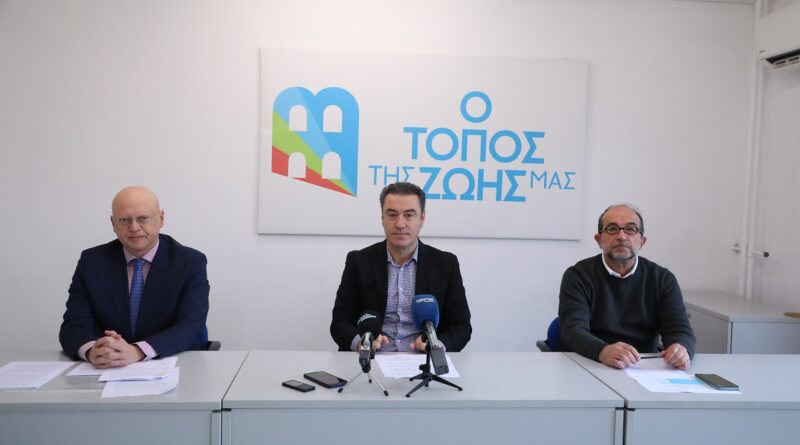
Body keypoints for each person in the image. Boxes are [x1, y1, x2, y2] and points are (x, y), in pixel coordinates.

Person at [59, 186, 209, 368]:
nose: (134, 228)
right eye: (124, 220)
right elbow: (73, 325)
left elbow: (191, 327)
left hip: (172, 367)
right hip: (106, 371)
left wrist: (138, 351)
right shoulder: (92, 262)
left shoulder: (189, 262)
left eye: (143, 218)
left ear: (161, 219)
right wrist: (93, 351)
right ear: (113, 223)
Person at [331, 182, 472, 353]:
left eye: (409, 215)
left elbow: (461, 325)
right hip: (371, 359)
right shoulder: (359, 261)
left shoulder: (445, 264)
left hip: (424, 360)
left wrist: (436, 346)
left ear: (422, 218)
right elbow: (340, 322)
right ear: (382, 218)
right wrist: (361, 344)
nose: (400, 224)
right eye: (392, 215)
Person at [558, 204, 695, 369]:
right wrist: (602, 351)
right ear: (599, 240)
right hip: (592, 364)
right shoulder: (578, 276)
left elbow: (680, 330)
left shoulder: (662, 279)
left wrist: (680, 348)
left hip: (644, 368)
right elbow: (573, 330)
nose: (622, 236)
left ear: (642, 241)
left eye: (630, 229)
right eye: (612, 229)